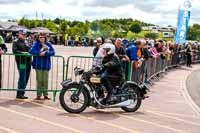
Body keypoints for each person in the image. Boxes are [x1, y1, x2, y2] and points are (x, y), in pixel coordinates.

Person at [30, 32, 55, 100]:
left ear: (45, 38)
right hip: (38, 65)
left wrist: (46, 53)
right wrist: (39, 53)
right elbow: (31, 51)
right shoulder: (36, 44)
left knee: (45, 80)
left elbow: (53, 52)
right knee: (39, 80)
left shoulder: (48, 44)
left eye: (43, 37)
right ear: (38, 37)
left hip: (46, 65)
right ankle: (38, 95)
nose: (42, 38)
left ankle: (45, 94)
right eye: (40, 37)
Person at [12, 30, 32, 99]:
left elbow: (29, 49)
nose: (24, 35)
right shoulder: (15, 41)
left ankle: (22, 93)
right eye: (23, 34)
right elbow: (14, 51)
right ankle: (19, 93)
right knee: (22, 77)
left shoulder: (26, 41)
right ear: (19, 34)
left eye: (25, 34)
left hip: (28, 61)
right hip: (21, 62)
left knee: (26, 78)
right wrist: (23, 53)